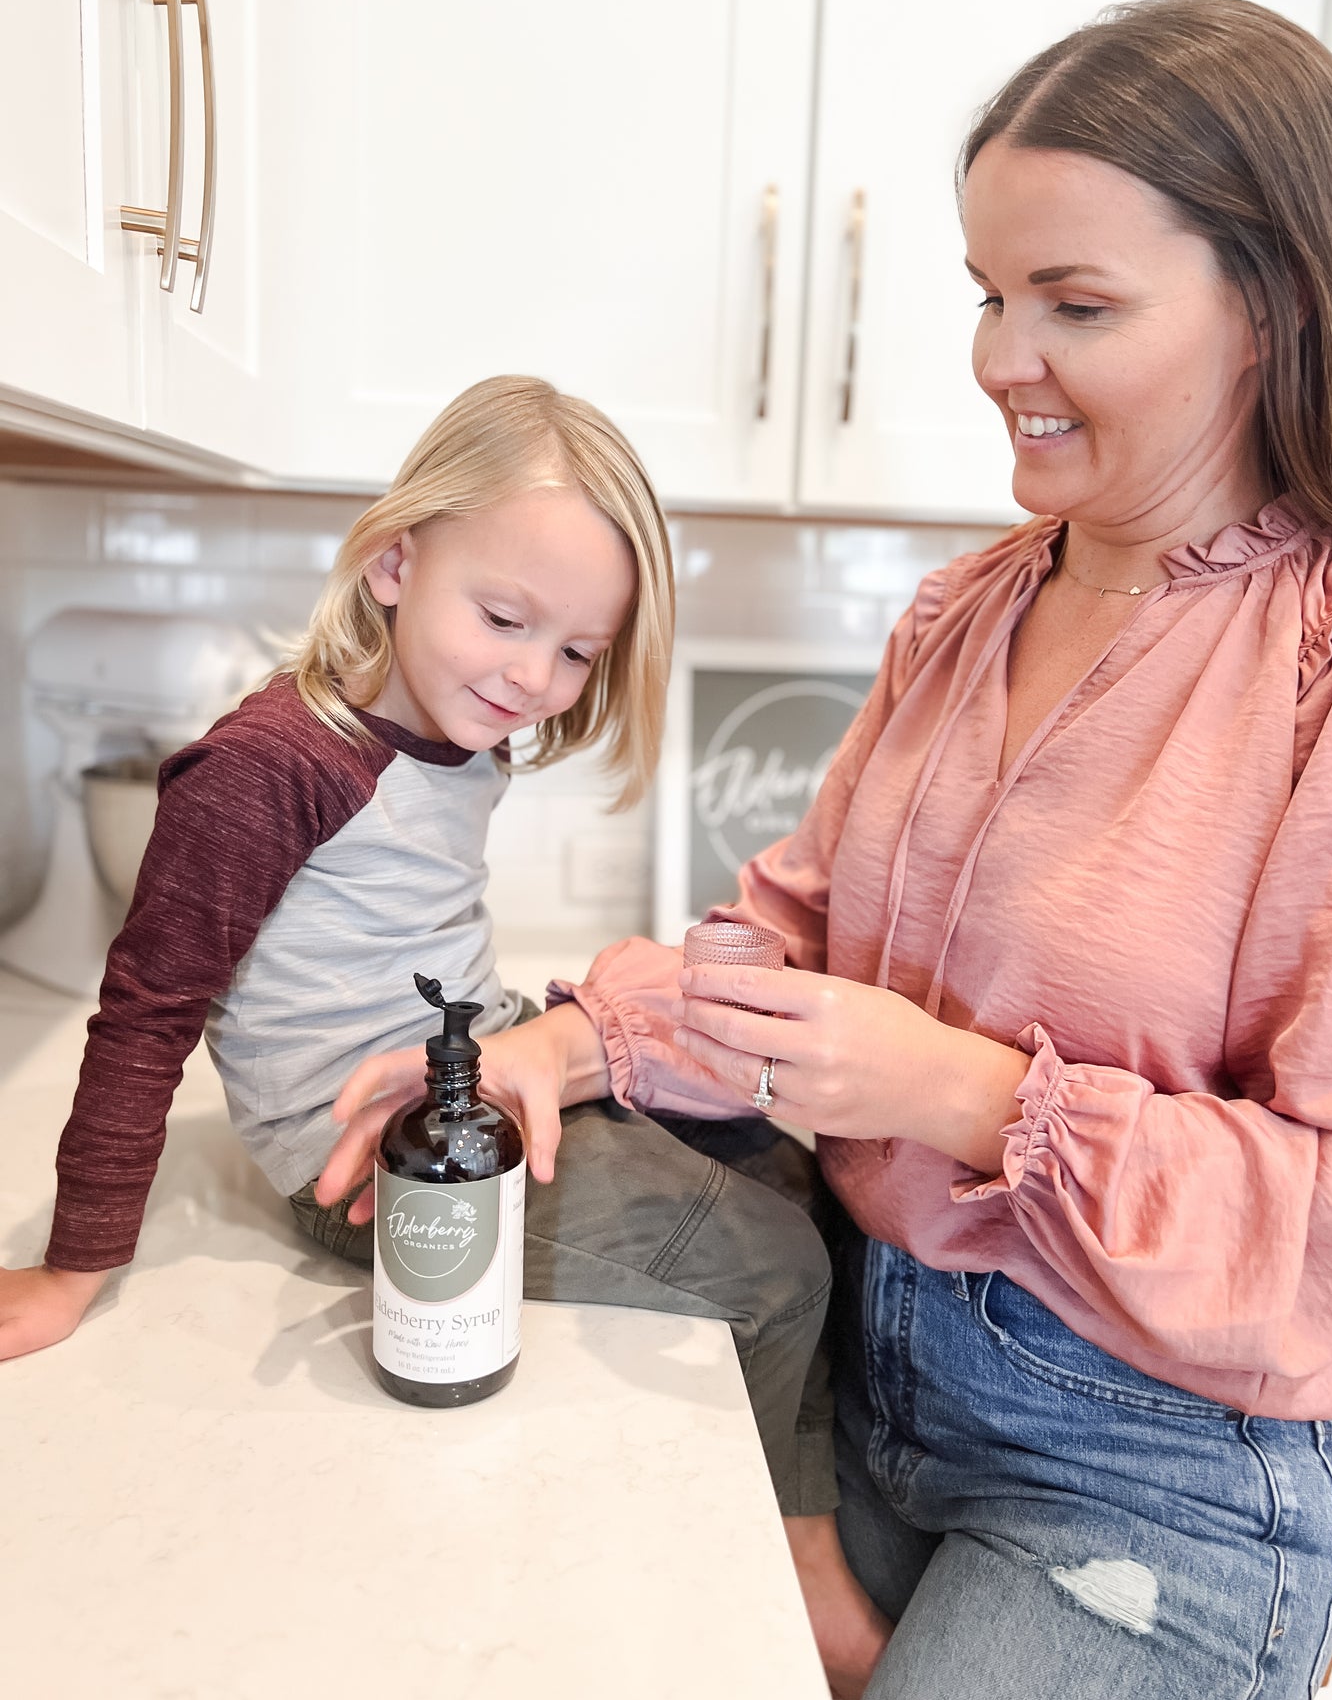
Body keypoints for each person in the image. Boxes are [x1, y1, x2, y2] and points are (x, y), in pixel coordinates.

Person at [321, 0, 1332, 1700]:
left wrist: (975, 1094)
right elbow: (782, 940)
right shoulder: (966, 612)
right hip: (866, 1367)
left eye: (1075, 305)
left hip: (1153, 1485)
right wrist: (567, 1045)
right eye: (990, 294)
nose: (1003, 354)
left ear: (1269, 310)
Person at [0, 375, 831, 1517]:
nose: (534, 678)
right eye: (504, 620)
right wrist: (72, 1266)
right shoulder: (270, 767)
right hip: (371, 1167)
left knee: (791, 1170)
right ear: (393, 564)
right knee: (776, 1267)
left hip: (474, 1070)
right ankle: (803, 1552)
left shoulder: (457, 736)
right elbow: (146, 1010)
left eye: (579, 651)